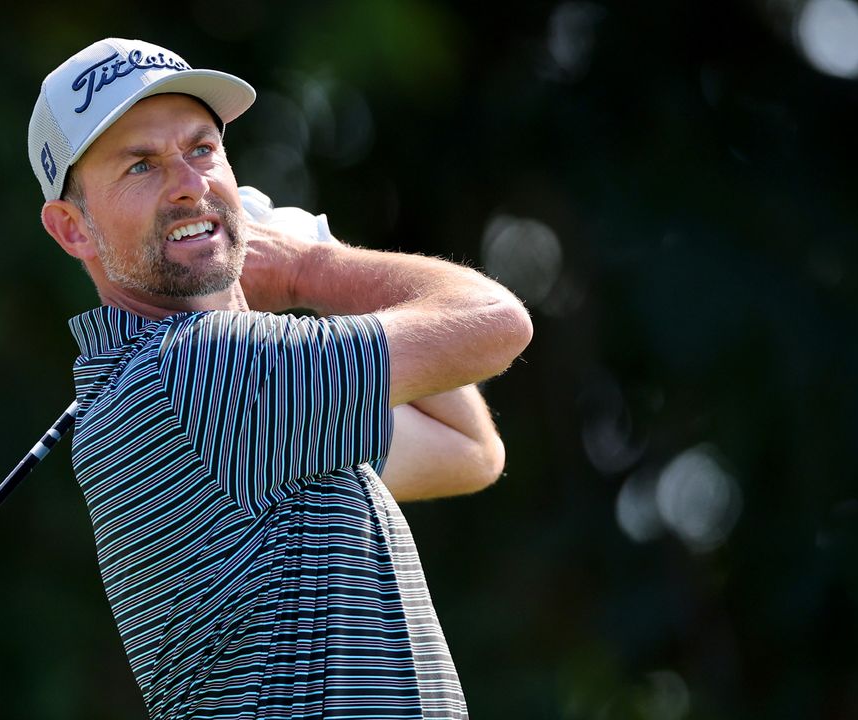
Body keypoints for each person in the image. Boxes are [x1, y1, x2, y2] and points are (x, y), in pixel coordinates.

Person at [28, 38, 532, 719]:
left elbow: (468, 448)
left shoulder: (219, 392)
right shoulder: (199, 373)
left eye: (202, 149)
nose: (189, 183)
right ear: (72, 230)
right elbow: (497, 322)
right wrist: (309, 270)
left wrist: (309, 290)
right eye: (140, 165)